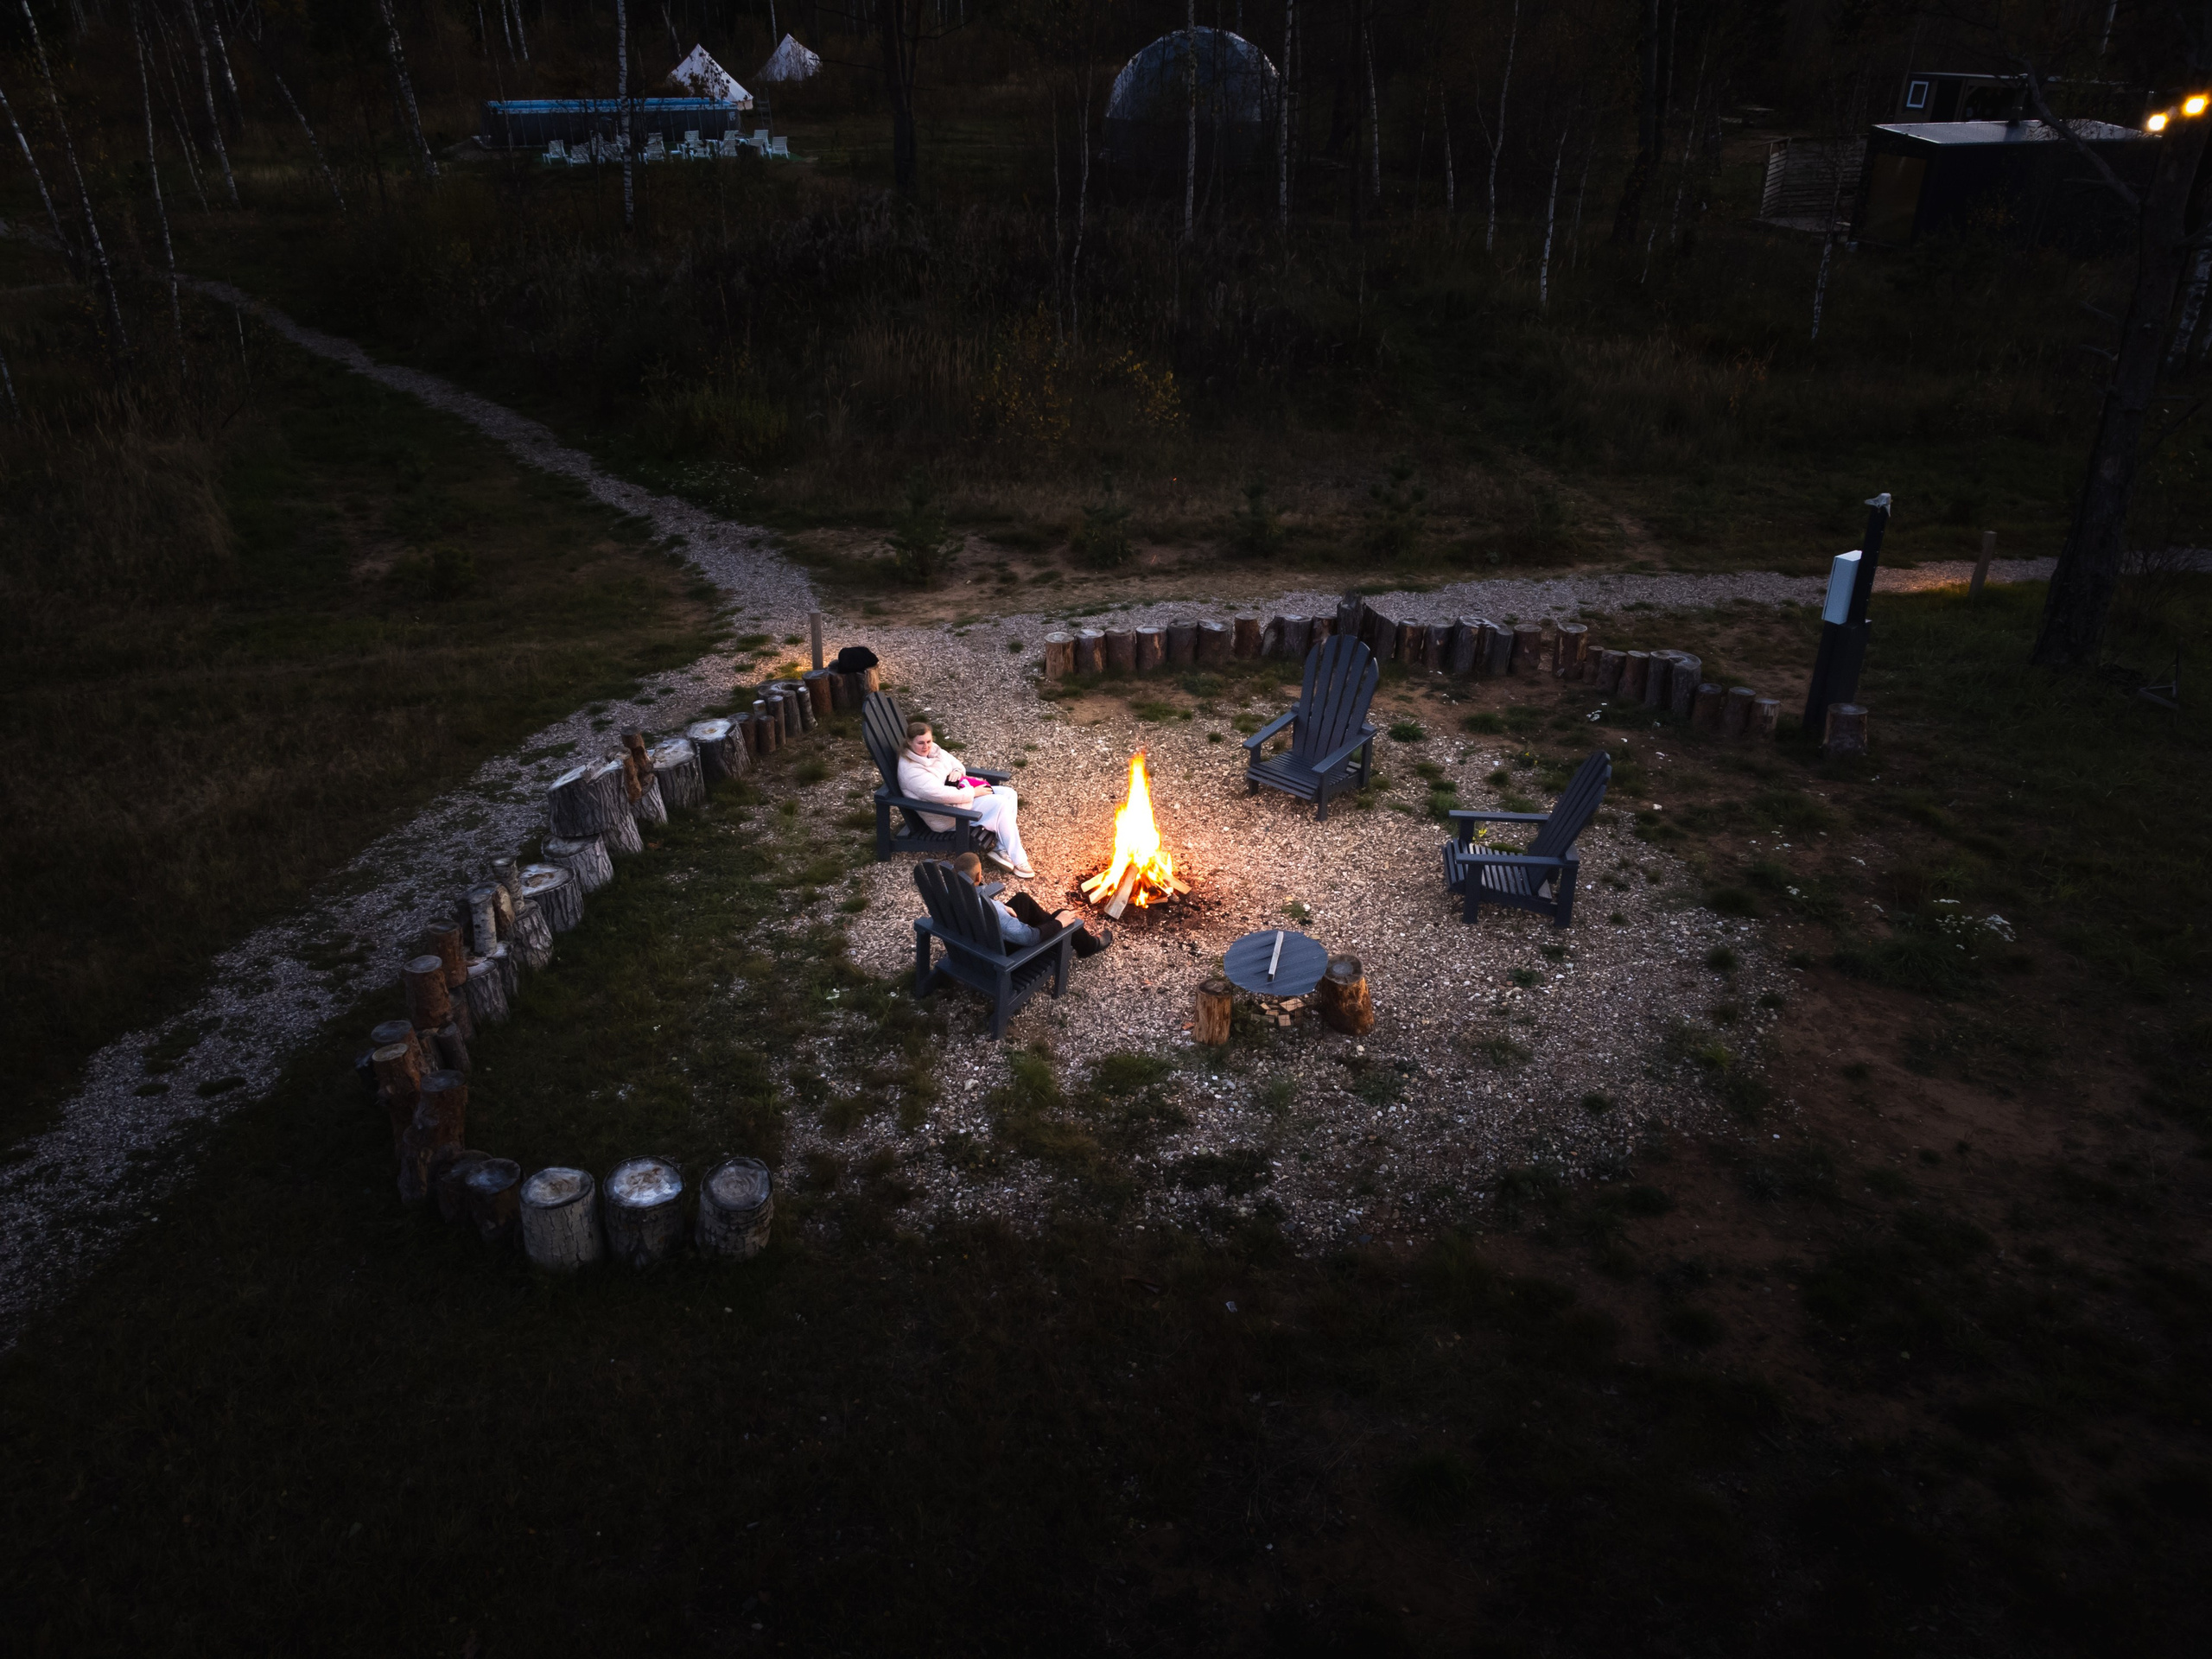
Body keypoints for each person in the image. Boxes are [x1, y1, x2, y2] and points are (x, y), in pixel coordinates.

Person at [897, 717, 1036, 879]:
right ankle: (1019, 860)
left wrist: (957, 770)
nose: (926, 747)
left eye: (928, 741)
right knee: (1001, 804)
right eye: (921, 743)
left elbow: (956, 763)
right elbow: (939, 795)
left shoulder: (933, 751)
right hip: (945, 813)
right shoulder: (912, 772)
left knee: (1009, 793)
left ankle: (1002, 849)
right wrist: (973, 793)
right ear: (909, 742)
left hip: (958, 797)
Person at [953, 853, 1111, 957]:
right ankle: (1088, 946)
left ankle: (1050, 929)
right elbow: (1029, 938)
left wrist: (1000, 905)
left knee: (1022, 899)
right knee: (1064, 916)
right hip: (999, 954)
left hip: (975, 938)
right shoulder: (997, 915)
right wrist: (1058, 924)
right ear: (978, 877)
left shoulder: (947, 889)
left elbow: (980, 899)